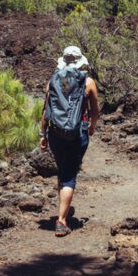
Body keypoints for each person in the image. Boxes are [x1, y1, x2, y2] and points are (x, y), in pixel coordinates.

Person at [39, 46, 100, 237]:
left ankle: (62, 210)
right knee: (69, 175)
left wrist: (43, 135)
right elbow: (95, 110)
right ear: (80, 61)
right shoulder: (88, 82)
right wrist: (92, 125)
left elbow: (45, 111)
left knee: (63, 170)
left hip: (55, 133)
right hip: (78, 133)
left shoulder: (52, 82)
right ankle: (62, 220)